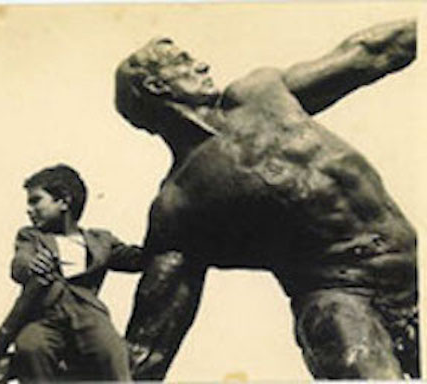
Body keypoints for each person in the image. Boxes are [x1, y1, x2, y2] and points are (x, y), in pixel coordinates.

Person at [115, 19, 418, 380]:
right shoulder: (178, 206)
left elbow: (373, 52)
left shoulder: (260, 94)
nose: (202, 65)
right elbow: (149, 344)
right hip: (341, 298)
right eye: (183, 61)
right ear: (156, 85)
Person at [10, 164, 143, 382]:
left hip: (88, 315)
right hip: (46, 317)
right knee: (29, 345)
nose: (29, 209)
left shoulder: (100, 241)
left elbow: (136, 259)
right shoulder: (31, 236)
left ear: (63, 201)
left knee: (113, 350)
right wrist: (32, 264)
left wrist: (163, 237)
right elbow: (20, 262)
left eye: (36, 200)